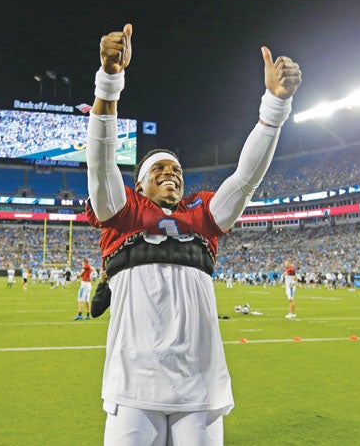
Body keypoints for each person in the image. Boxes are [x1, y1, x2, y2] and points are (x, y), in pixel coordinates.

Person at [86, 23, 300, 445]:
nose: (171, 174)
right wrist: (109, 81)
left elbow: (245, 179)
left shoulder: (203, 215)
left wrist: (275, 106)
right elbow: (101, 162)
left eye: (177, 170)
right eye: (159, 171)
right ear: (140, 184)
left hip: (200, 385)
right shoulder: (124, 211)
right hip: (135, 383)